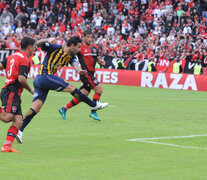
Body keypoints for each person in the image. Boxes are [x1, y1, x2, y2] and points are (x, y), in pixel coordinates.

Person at [16, 36, 108, 144]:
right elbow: (37, 43)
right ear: (72, 45)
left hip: (41, 81)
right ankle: (93, 104)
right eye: (78, 47)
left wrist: (79, 71)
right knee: (71, 88)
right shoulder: (55, 48)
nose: (79, 50)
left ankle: (19, 130)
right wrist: (47, 40)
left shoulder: (72, 56)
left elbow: (76, 66)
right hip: (44, 76)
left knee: (36, 107)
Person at [58, 30, 106, 121]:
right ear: (83, 38)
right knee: (99, 89)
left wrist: (101, 61)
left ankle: (63, 109)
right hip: (85, 74)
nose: (89, 39)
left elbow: (98, 59)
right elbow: (71, 52)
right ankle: (93, 111)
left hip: (91, 74)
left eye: (90, 37)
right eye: (87, 37)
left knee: (82, 96)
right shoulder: (80, 48)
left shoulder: (95, 48)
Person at [0, 37, 35, 153]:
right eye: (34, 47)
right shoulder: (25, 59)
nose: (34, 50)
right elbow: (21, 79)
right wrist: (30, 89)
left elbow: (1, 66)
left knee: (19, 120)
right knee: (7, 117)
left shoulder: (12, 56)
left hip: (12, 91)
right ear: (29, 47)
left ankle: (6, 146)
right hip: (11, 90)